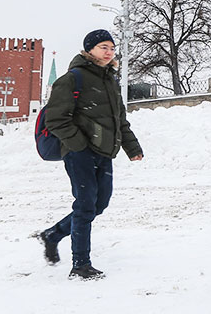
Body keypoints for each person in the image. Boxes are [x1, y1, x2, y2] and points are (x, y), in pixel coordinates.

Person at [36, 29, 143, 280]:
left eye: (112, 48)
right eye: (103, 47)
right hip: (79, 153)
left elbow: (119, 120)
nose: (109, 52)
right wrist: (78, 144)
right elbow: (55, 119)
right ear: (90, 50)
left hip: (104, 151)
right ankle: (80, 265)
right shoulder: (73, 78)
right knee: (85, 206)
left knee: (99, 203)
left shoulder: (110, 81)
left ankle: (53, 234)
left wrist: (132, 147)